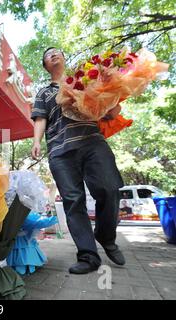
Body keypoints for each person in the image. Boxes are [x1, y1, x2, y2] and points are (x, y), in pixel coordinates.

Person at [31, 47, 126, 274]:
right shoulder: (44, 92)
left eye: (57, 52)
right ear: (46, 65)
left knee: (110, 188)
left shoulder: (84, 79)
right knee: (73, 201)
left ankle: (105, 235)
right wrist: (36, 141)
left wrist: (111, 95)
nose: (53, 54)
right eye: (48, 54)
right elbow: (40, 119)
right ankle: (88, 256)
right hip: (60, 151)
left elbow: (111, 112)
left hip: (93, 142)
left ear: (64, 59)